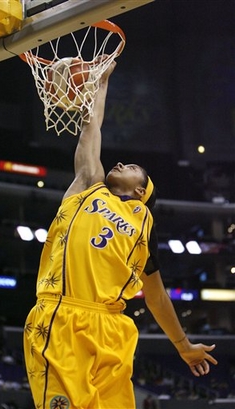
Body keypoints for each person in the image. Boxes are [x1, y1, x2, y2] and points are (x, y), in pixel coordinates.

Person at [24, 60, 218, 409]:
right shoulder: (88, 187)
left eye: (131, 169)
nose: (119, 164)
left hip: (113, 328)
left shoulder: (144, 223)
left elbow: (156, 297)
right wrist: (100, 83)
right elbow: (91, 128)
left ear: (142, 191)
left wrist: (183, 345)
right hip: (62, 317)